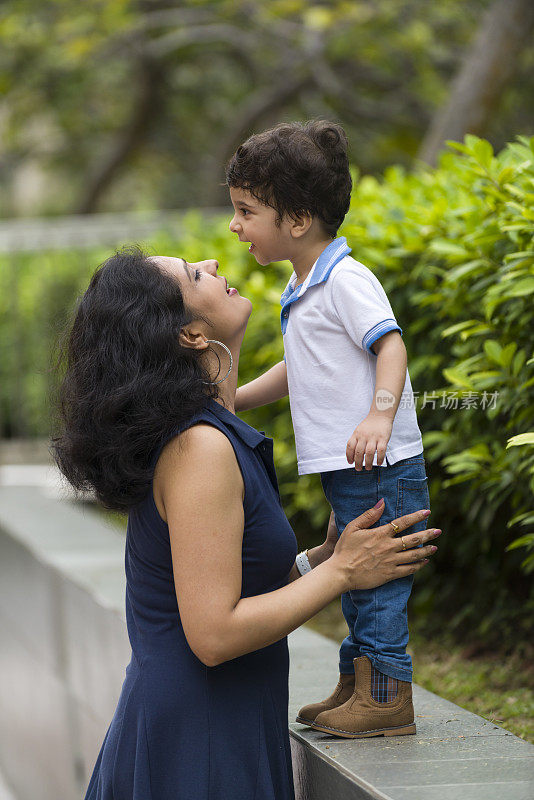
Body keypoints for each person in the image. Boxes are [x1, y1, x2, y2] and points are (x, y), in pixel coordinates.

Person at [52, 248, 440, 799]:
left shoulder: (208, 431)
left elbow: (229, 586)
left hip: (216, 729)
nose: (212, 263)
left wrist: (323, 559)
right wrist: (343, 575)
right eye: (193, 274)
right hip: (199, 747)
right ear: (189, 335)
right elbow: (213, 634)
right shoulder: (199, 448)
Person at [227, 119, 435, 739]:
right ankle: (358, 683)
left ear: (296, 220)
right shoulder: (304, 283)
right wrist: (233, 400)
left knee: (377, 584)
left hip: (383, 464)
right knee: (355, 576)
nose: (236, 226)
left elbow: (391, 346)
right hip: (351, 469)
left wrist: (379, 413)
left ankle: (388, 696)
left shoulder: (345, 279)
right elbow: (301, 366)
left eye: (246, 211)